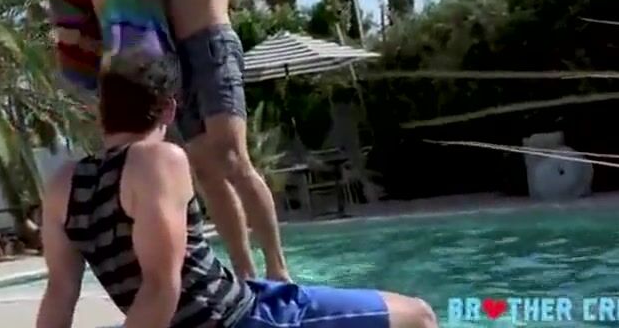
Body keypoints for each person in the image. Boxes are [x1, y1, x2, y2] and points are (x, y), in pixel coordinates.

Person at [35, 50, 439, 328]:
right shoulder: (159, 160)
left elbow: (60, 292)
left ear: (101, 114)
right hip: (239, 319)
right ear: (169, 109)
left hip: (243, 298)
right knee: (418, 316)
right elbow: (161, 287)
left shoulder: (62, 185)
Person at [107, 0, 286, 281]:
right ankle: (246, 275)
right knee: (205, 169)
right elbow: (153, 1)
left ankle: (279, 271)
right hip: (178, 57)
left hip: (211, 42)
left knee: (231, 156)